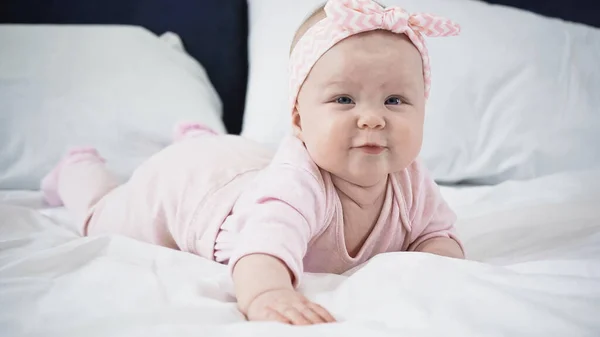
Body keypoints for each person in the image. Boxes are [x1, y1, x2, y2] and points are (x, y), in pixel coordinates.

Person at [40, 0, 465, 326]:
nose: (373, 117)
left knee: (228, 156)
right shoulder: (296, 184)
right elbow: (264, 246)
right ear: (298, 118)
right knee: (102, 217)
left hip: (241, 162)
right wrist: (268, 294)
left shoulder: (408, 178)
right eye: (343, 99)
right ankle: (78, 169)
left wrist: (440, 264)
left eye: (395, 100)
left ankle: (202, 138)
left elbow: (436, 234)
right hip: (190, 188)